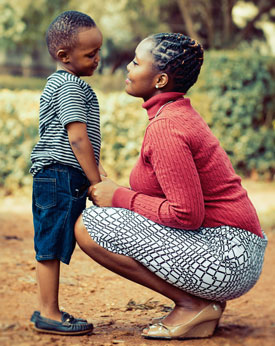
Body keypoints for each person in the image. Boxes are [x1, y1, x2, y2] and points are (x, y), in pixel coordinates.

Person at [74, 33, 268, 340]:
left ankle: (193, 304)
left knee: (90, 226)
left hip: (229, 256)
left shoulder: (166, 127)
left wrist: (120, 197)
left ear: (160, 80)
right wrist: (116, 192)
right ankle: (199, 304)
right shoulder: (174, 115)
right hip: (233, 248)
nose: (128, 67)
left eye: (137, 62)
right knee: (103, 218)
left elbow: (186, 214)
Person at [29, 10, 106, 335]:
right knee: (50, 244)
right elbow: (76, 136)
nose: (98, 59)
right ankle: (49, 312)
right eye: (91, 54)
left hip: (58, 175)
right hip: (59, 175)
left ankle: (50, 310)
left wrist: (97, 170)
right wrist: (96, 181)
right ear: (64, 56)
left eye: (99, 51)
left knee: (54, 241)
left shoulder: (60, 84)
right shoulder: (71, 86)